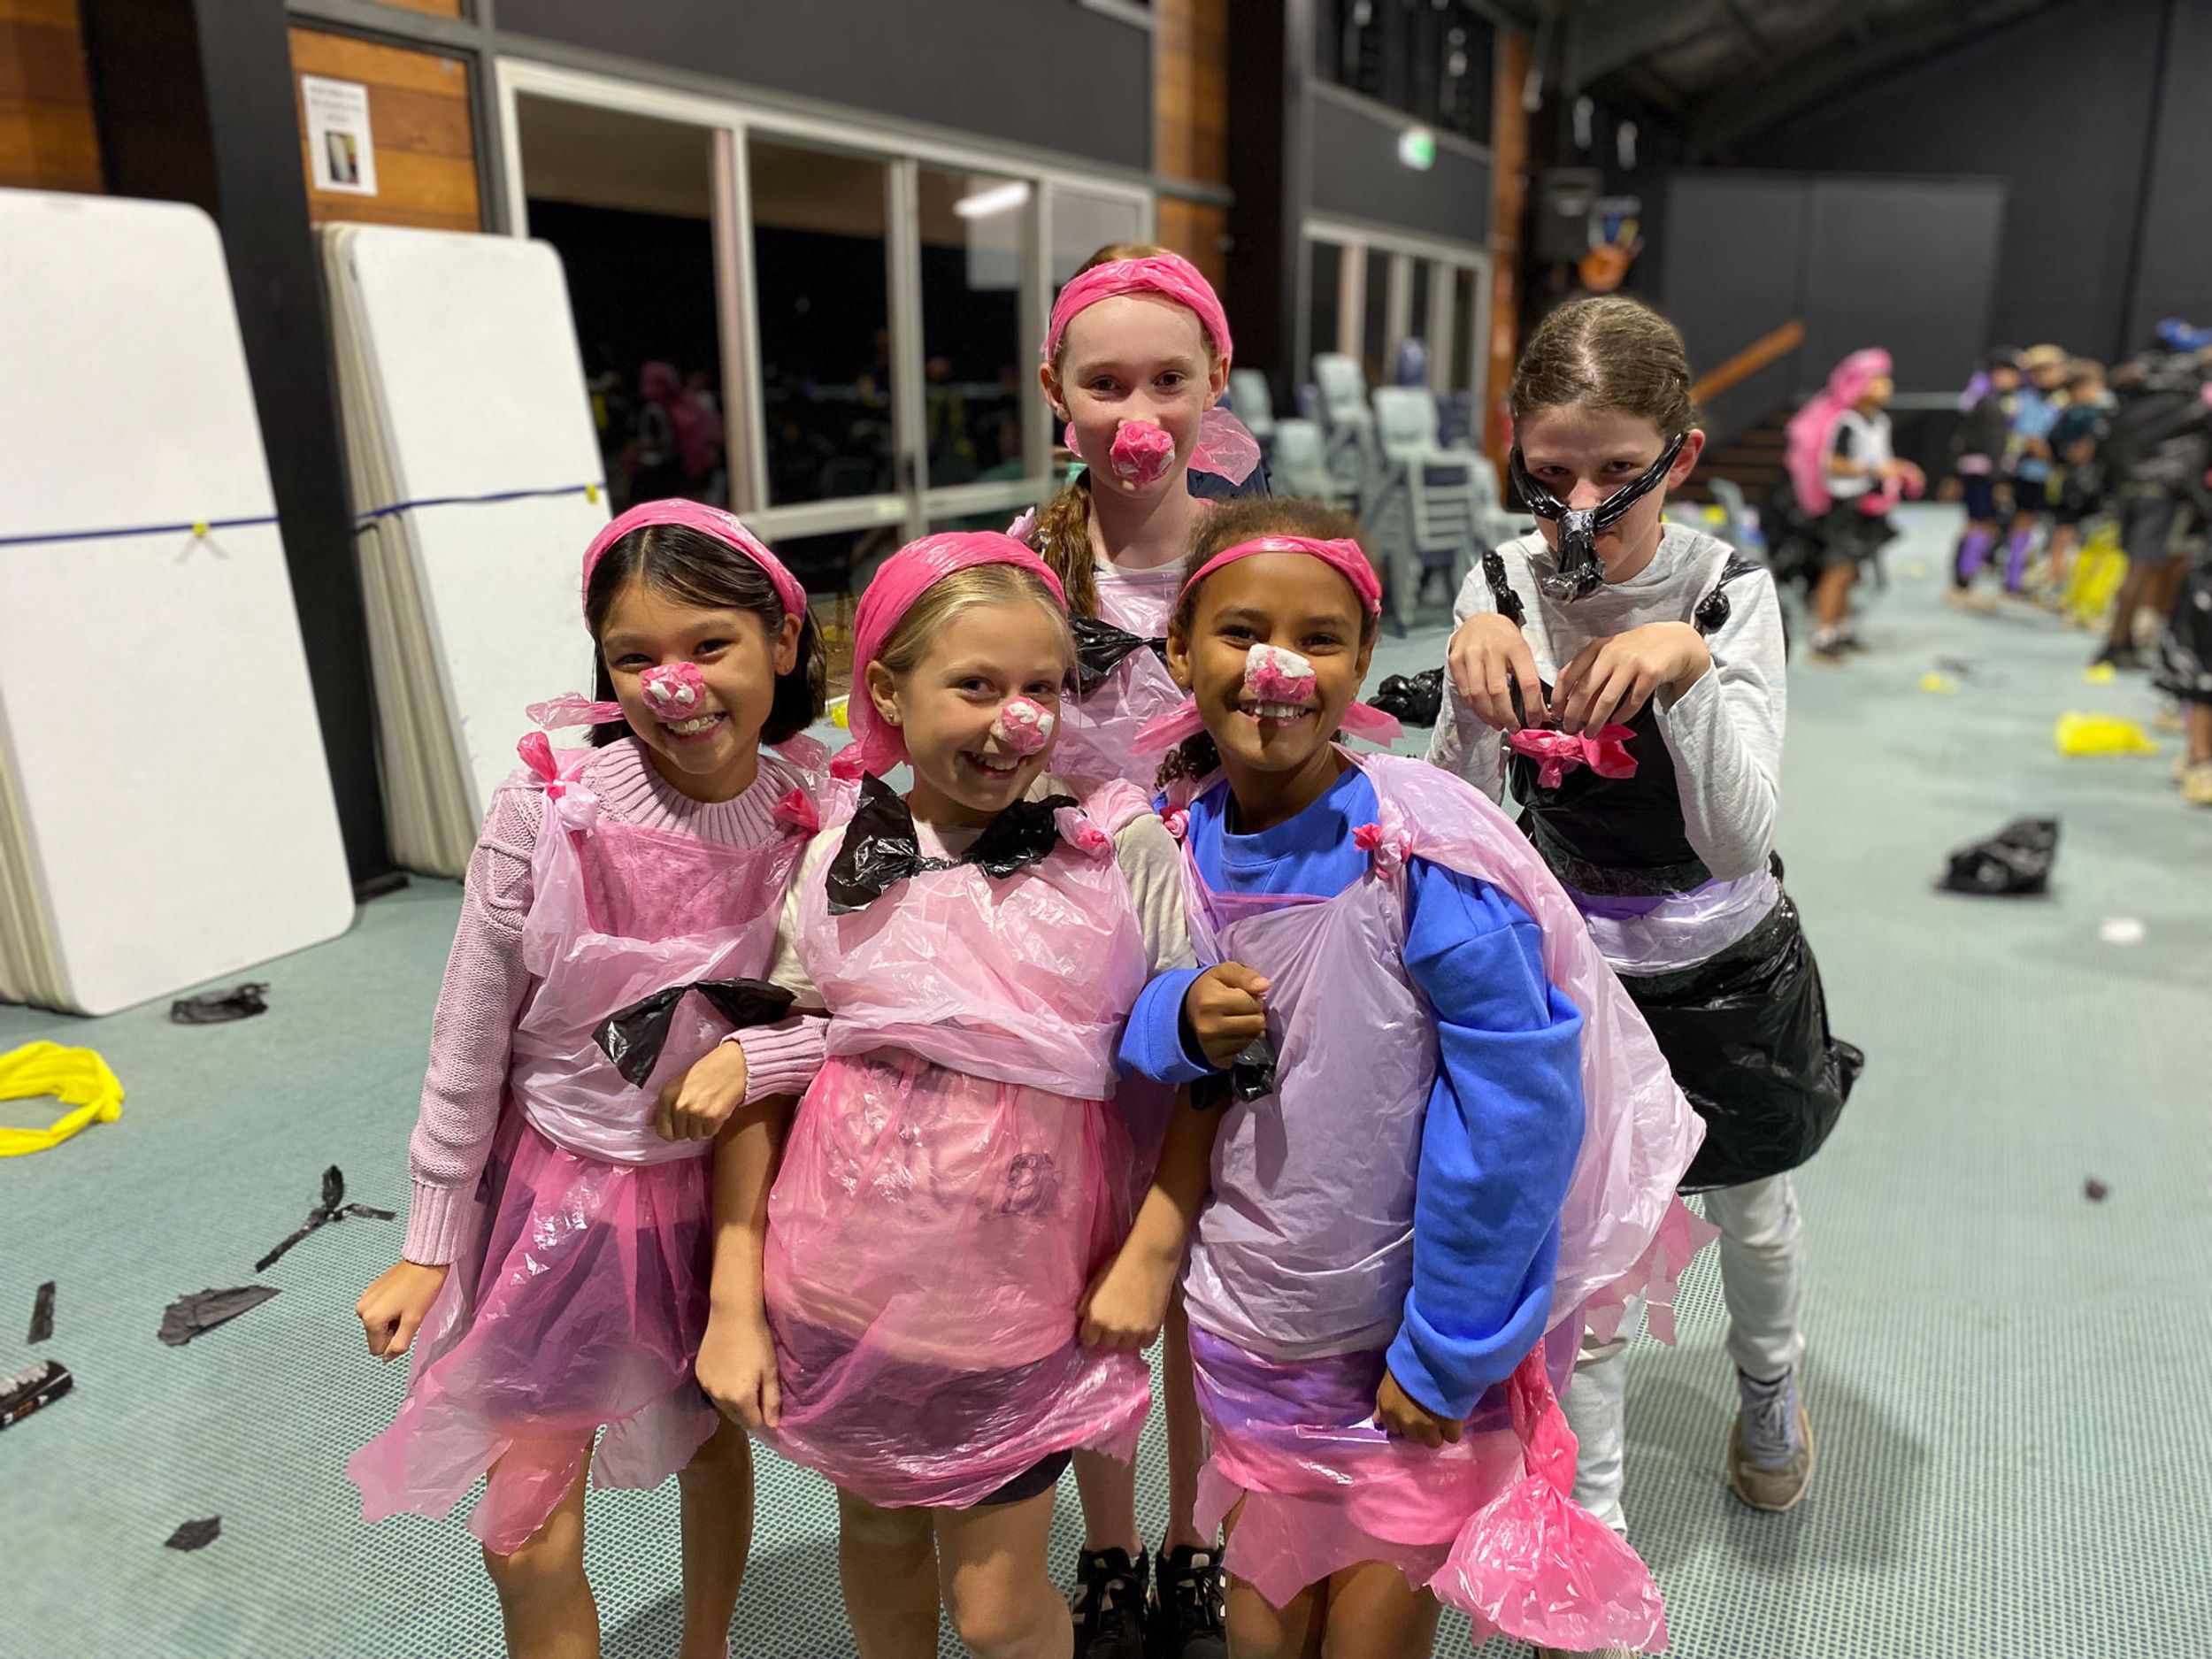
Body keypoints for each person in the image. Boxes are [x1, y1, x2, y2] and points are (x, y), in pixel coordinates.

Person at [1087, 500, 1709, 1659]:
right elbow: (1116, 1032)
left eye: (1318, 638)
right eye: (1241, 631)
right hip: (1255, 1326)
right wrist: (1178, 1017)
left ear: (1364, 657)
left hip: (1406, 1340)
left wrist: (1447, 1348)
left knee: (1369, 1636)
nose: (1278, 666)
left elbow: (1517, 1117)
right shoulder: (1167, 842)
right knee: (1263, 1627)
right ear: (1179, 646)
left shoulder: (1422, 855)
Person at [1433, 296, 1863, 1655]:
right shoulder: (1501, 578)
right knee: (1595, 1266)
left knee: (1756, 1213)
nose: (1581, 507)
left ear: (1678, 455)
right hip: (1577, 970)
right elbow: (1459, 825)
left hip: (1724, 962)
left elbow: (1738, 833)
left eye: (1616, 469)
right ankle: (1598, 1530)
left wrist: (1685, 671)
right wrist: (1466, 695)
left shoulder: (1730, 586)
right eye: (1549, 470)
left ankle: (1770, 1387)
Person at [348, 500, 831, 1659]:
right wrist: (429, 1234)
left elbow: (863, 1014)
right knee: (524, 1538)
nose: (676, 685)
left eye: (709, 644)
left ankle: (707, 1644)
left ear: (782, 640)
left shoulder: (820, 818)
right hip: (558, 1197)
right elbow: (470, 1032)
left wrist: (755, 1054)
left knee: (710, 1437)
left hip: (727, 1194)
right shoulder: (547, 807)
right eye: (635, 657)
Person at [704, 532, 1196, 1659]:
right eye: (975, 685)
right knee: (878, 1539)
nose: (1014, 721)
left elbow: (1195, 1069)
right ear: (886, 689)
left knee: (997, 1609)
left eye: (1041, 689)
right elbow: (777, 1057)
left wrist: (1152, 1249)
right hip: (838, 1291)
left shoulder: (1113, 847)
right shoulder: (836, 852)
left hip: (1018, 1307)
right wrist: (736, 1300)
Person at [1022, 242, 1265, 1659]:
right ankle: (1110, 1544)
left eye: (1168, 380)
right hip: (1070, 960)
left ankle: (1198, 1540)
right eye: (1105, 383)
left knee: (1210, 1267)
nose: (1138, 415)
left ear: (1214, 381)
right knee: (1097, 1255)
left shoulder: (1253, 556)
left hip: (1234, 949)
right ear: (1055, 390)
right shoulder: (1026, 558)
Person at [1784, 347, 1924, 662]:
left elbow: (1880, 460)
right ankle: (1823, 635)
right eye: (1877, 379)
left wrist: (1899, 470)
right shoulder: (1846, 422)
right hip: (1845, 507)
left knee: (1853, 572)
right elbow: (1834, 463)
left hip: (1867, 507)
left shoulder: (1879, 421)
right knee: (1838, 570)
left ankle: (1842, 629)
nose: (1886, 385)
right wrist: (1875, 471)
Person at [2093, 320, 2212, 672]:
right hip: (2163, 491)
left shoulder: (2144, 386)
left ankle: (2127, 639)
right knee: (2143, 567)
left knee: (2140, 565)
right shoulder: (2192, 396)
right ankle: (2117, 644)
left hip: (2133, 485)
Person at [1949, 348, 2022, 605]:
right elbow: (1994, 443)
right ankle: (1963, 583)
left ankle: (1964, 582)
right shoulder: (1991, 403)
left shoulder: (1985, 399)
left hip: (1978, 471)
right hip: (1985, 473)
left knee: (1980, 524)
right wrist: (1999, 480)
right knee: (1980, 525)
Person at [2039, 359, 2113, 604]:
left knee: (2075, 536)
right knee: (2064, 534)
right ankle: (2056, 584)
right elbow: (2073, 452)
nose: (2097, 392)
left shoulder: (2085, 413)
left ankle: (2068, 587)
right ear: (2077, 389)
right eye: (2092, 386)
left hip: (2083, 482)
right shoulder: (2080, 415)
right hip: (2075, 483)